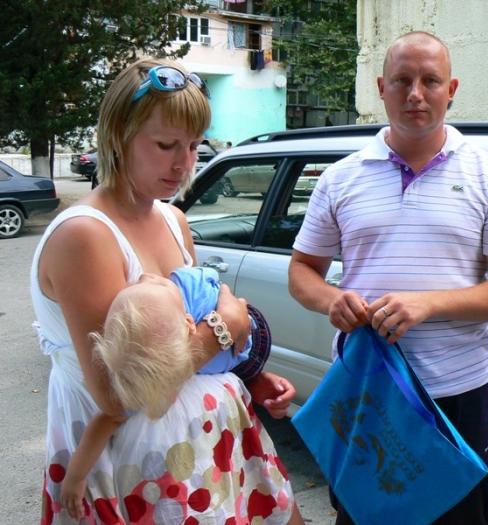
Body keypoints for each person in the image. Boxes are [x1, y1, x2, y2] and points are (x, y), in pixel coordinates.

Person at [31, 57, 303, 524]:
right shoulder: (85, 235)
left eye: (195, 145)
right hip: (133, 464)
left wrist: (248, 373)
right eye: (166, 145)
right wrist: (225, 327)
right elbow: (118, 396)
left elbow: (184, 327)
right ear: (117, 135)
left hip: (208, 445)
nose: (185, 163)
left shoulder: (174, 220)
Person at [287, 31, 488, 524]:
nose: (416, 94)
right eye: (402, 80)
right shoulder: (340, 177)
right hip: (366, 388)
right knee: (362, 514)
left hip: (456, 393)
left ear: (451, 89)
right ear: (382, 87)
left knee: (457, 516)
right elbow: (302, 271)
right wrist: (331, 300)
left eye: (430, 81)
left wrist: (428, 304)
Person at [60, 267, 274, 519]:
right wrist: (226, 301)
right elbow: (228, 300)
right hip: (254, 346)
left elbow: (105, 421)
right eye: (155, 284)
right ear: (189, 324)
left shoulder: (146, 378)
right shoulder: (191, 288)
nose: (145, 276)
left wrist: (74, 478)